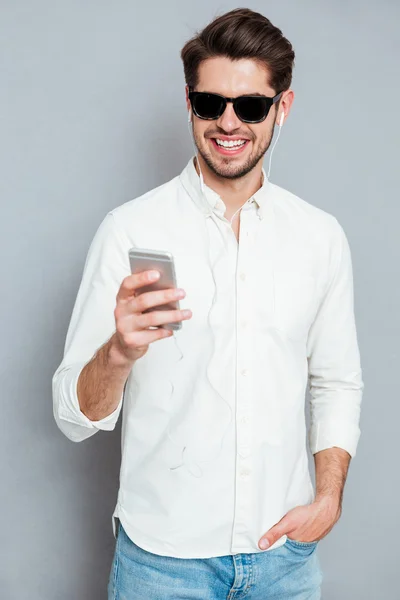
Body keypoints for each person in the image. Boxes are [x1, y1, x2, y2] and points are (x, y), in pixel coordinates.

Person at [52, 7, 364, 599]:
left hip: (285, 562)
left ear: (282, 108)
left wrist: (328, 499)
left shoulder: (321, 237)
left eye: (250, 106)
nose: (229, 122)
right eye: (209, 103)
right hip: (161, 567)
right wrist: (118, 352)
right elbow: (72, 416)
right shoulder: (129, 229)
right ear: (189, 103)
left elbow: (336, 381)